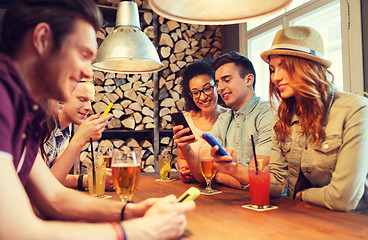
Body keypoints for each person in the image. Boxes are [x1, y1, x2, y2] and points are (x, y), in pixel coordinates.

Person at [0, 0, 195, 239]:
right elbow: (17, 232)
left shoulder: (26, 112)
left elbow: (54, 197)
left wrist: (133, 211)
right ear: (42, 39)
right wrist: (141, 230)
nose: (88, 72)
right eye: (83, 54)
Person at [259, 26, 368, 212]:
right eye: (272, 69)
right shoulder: (282, 117)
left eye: (284, 66)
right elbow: (277, 184)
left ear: (307, 66)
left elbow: (342, 199)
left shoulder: (355, 109)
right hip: (302, 218)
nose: (275, 77)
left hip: (353, 225)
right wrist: (233, 170)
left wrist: (303, 195)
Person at [208, 51, 273, 190]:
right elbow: (208, 170)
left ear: (249, 80)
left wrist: (219, 177)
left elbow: (257, 179)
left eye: (226, 80)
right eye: (218, 82)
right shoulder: (223, 119)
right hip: (230, 204)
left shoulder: (268, 114)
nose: (219, 88)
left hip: (268, 205)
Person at [40, 79, 114, 190]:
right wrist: (80, 138)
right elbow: (43, 186)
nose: (89, 107)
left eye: (91, 101)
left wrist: (87, 180)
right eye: (82, 100)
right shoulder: (41, 126)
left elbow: (56, 174)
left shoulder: (66, 128)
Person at [173, 61, 228, 183]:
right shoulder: (187, 120)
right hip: (196, 189)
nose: (202, 97)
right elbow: (181, 158)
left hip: (226, 189)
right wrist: (184, 170)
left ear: (217, 86)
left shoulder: (231, 117)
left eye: (207, 89)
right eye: (196, 92)